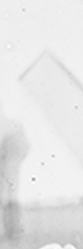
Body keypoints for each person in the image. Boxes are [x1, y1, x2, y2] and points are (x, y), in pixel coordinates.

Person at [0, 101, 29, 239]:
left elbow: (23, 147)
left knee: (8, 195)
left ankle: (13, 231)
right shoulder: (12, 124)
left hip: (9, 162)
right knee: (9, 194)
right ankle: (13, 231)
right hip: (9, 162)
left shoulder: (7, 125)